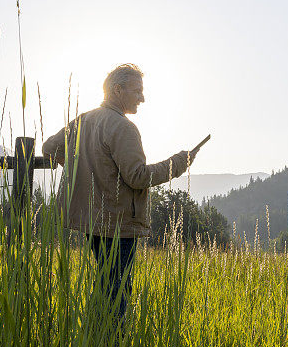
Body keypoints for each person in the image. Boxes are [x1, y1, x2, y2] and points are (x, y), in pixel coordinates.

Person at [42, 63, 196, 320]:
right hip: (117, 223)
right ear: (117, 90)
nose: (142, 98)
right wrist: (178, 164)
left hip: (92, 221)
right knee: (117, 292)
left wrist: (83, 171)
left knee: (106, 286)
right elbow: (137, 177)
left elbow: (49, 148)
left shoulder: (84, 120)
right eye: (137, 91)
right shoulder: (123, 127)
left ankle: (96, 341)